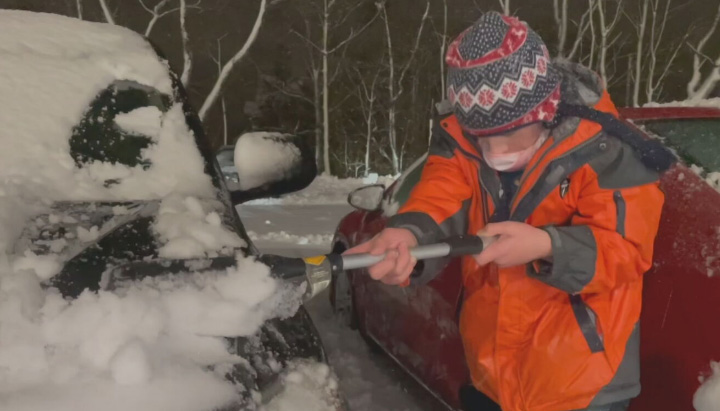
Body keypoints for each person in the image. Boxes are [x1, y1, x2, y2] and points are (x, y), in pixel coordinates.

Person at [345, 11, 674, 411]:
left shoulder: (608, 150)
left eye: (509, 136)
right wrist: (408, 234)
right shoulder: (460, 142)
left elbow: (626, 251)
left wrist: (545, 245)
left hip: (582, 385)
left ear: (545, 111)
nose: (496, 154)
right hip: (490, 374)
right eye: (484, 140)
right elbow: (440, 193)